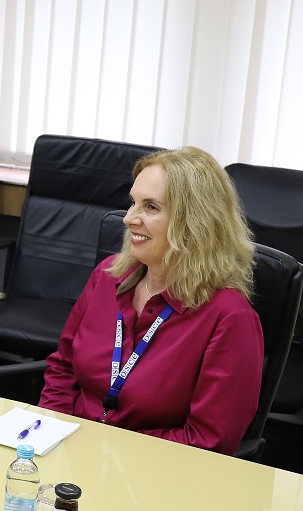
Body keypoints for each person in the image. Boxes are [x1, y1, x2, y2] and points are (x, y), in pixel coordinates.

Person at [38, 146, 264, 455]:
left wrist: (109, 451)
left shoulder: (229, 317)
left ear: (195, 222)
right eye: (133, 203)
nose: (129, 218)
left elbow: (208, 441)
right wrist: (53, 438)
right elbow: (62, 369)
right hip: (72, 455)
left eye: (151, 207)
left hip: (153, 471)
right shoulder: (107, 276)